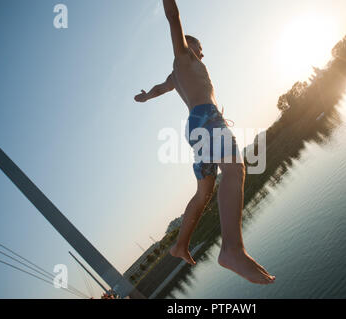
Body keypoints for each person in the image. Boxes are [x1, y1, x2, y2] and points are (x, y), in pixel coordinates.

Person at [134, 0, 275, 285]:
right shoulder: (184, 58)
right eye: (199, 47)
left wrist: (147, 96)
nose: (203, 52)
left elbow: (160, 88)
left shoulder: (176, 76)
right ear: (188, 46)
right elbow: (173, 17)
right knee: (235, 170)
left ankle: (180, 244)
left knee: (204, 193)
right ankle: (232, 250)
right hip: (206, 121)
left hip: (197, 126)